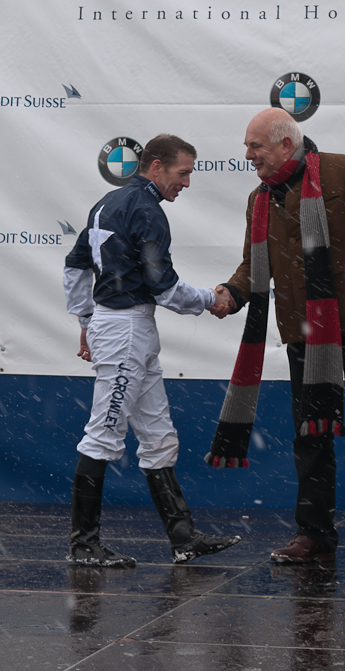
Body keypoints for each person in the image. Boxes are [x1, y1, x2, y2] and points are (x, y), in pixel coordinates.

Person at [207, 108, 345, 567]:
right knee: (309, 435)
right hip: (302, 336)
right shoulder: (260, 198)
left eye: (255, 145)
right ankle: (314, 534)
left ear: (283, 144)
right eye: (247, 145)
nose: (248, 154)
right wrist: (231, 294)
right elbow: (251, 265)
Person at [63, 134, 240, 567]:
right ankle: (83, 544)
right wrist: (211, 299)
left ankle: (183, 537)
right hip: (127, 329)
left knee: (158, 435)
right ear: (156, 166)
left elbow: (75, 265)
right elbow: (165, 289)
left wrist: (86, 321)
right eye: (183, 173)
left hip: (122, 326)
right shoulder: (146, 210)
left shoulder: (108, 201)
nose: (188, 182)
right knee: (104, 433)